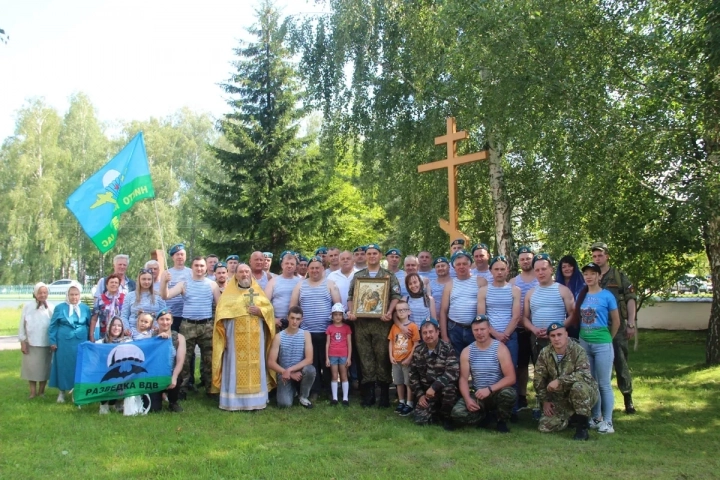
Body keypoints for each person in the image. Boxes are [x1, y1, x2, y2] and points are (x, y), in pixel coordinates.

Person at [211, 263, 276, 411]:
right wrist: (223, 339)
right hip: (234, 340)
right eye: (241, 272)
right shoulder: (228, 295)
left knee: (255, 366)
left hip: (255, 340)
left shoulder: (258, 293)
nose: (244, 274)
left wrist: (261, 311)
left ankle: (256, 400)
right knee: (234, 367)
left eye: (247, 271)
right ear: (236, 275)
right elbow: (220, 317)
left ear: (251, 274)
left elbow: (269, 310)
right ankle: (233, 402)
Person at [567, 262, 620, 434]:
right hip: (584, 343)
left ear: (599, 276)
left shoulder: (607, 296)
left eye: (592, 273)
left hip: (602, 343)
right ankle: (595, 417)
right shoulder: (582, 295)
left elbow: (616, 322)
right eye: (586, 274)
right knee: (591, 382)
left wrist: (607, 340)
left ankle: (608, 421)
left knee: (604, 383)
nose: (589, 277)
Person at [347, 243, 402, 408]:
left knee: (383, 357)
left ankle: (384, 395)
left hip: (382, 323)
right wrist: (352, 312)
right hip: (362, 324)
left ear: (380, 256)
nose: (371, 256)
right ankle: (368, 395)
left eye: (374, 253)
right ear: (365, 256)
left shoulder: (388, 275)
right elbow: (351, 297)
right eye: (369, 253)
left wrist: (390, 312)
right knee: (365, 357)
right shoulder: (358, 276)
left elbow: (396, 295)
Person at [161, 256, 221, 396]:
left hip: (207, 326)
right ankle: (181, 388)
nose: (199, 268)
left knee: (209, 359)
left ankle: (210, 389)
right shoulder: (184, 284)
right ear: (192, 267)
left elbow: (220, 306)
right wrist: (164, 282)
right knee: (184, 359)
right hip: (187, 325)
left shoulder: (212, 285)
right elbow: (166, 296)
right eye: (196, 266)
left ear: (206, 267)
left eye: (201, 266)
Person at [591, 242, 638, 413]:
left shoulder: (618, 276)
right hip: (596, 327)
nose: (597, 259)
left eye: (600, 255)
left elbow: (630, 298)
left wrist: (631, 323)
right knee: (597, 365)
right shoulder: (590, 276)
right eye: (594, 256)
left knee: (620, 361)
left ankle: (627, 398)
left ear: (607, 256)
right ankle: (600, 401)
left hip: (616, 327)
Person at [533, 322, 599, 440]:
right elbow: (539, 379)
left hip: (584, 393)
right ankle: (571, 417)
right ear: (549, 337)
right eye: (553, 336)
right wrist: (545, 401)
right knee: (545, 426)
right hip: (560, 397)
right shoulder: (545, 353)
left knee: (578, 388)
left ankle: (582, 428)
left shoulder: (578, 350)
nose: (556, 338)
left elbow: (584, 374)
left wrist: (560, 381)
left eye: (559, 334)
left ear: (566, 335)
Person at [451, 315, 517, 433]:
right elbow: (463, 379)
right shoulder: (467, 351)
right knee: (457, 413)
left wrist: (490, 389)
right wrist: (467, 400)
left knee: (509, 393)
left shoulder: (500, 348)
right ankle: (486, 417)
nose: (479, 333)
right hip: (479, 395)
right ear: (472, 331)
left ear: (489, 329)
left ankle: (501, 421)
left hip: (496, 393)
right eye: (476, 330)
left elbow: (511, 378)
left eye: (482, 329)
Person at [290, 256, 341, 400]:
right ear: (308, 269)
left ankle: (330, 390)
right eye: (312, 268)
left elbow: (338, 307)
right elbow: (293, 307)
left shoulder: (330, 284)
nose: (314, 270)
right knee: (311, 363)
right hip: (307, 332)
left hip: (327, 332)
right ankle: (314, 390)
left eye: (317, 268)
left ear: (323, 269)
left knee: (328, 362)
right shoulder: (300, 285)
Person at [408, 318, 459, 429]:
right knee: (420, 420)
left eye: (431, 332)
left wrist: (435, 387)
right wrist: (420, 395)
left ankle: (447, 417)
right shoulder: (418, 350)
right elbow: (413, 376)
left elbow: (452, 372)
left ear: (437, 332)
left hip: (443, 390)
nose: (428, 335)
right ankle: (435, 413)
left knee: (449, 389)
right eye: (425, 333)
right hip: (427, 394)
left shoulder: (447, 348)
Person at [49, 281, 92, 403]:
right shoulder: (59, 308)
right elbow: (53, 326)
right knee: (63, 366)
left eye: (76, 294)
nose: (74, 297)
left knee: (79, 366)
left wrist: (92, 341)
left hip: (81, 342)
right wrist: (52, 341)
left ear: (80, 295)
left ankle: (76, 392)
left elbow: (90, 325)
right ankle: (61, 392)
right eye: (71, 294)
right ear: (67, 295)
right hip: (63, 343)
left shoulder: (85, 308)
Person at [440, 250, 488, 356]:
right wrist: (444, 335)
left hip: (475, 329)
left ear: (470, 265)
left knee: (477, 361)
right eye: (458, 264)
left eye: (464, 264)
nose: (461, 266)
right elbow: (443, 311)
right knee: (457, 363)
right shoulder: (449, 285)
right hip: (454, 329)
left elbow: (488, 308)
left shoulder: (481, 282)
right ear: (454, 267)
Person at [267, 306, 316, 408]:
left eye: (298, 319)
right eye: (292, 318)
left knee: (310, 370)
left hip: (300, 372)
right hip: (284, 374)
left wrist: (290, 370)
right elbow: (271, 362)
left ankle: (303, 396)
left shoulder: (306, 334)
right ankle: (293, 391)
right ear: (288, 317)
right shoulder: (278, 337)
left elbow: (309, 359)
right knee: (284, 404)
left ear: (301, 320)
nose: (294, 321)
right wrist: (286, 372)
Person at [477, 256, 521, 369]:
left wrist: (504, 335)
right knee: (491, 370)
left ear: (507, 270)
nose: (499, 272)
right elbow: (482, 317)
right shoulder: (483, 291)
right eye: (496, 269)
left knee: (510, 369)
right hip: (489, 336)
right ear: (491, 271)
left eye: (502, 269)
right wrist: (496, 334)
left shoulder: (515, 290)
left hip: (510, 337)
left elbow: (516, 316)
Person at [510, 246, 538, 410]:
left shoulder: (541, 278)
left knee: (540, 365)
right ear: (519, 261)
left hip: (539, 330)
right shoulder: (514, 282)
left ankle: (541, 398)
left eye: (528, 258)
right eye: (522, 259)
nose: (526, 261)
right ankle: (521, 396)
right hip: (520, 329)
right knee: (521, 366)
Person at [18, 282, 54, 399]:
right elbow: (22, 325)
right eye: (40, 292)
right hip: (31, 343)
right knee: (32, 369)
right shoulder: (28, 307)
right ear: (35, 293)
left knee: (44, 369)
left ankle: (41, 392)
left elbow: (54, 325)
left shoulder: (51, 307)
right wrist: (23, 342)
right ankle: (32, 393)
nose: (43, 295)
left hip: (46, 343)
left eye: (45, 292)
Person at [149, 309, 186, 413]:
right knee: (154, 409)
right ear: (157, 321)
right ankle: (159, 395)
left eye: (167, 319)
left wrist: (174, 378)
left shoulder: (179, 337)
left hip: (171, 372)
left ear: (172, 321)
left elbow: (180, 360)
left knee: (177, 375)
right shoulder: (151, 337)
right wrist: (156, 340)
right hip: (155, 375)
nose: (165, 322)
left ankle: (173, 402)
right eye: (161, 319)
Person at [388, 300, 420, 416]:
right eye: (398, 310)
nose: (401, 312)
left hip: (407, 360)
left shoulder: (413, 327)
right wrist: (391, 355)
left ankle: (409, 403)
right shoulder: (394, 327)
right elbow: (391, 341)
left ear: (409, 312)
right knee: (399, 382)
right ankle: (401, 402)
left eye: (403, 310)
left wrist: (409, 358)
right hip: (396, 360)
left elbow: (416, 344)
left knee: (408, 382)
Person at [96, 316, 131, 414]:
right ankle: (104, 404)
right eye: (114, 325)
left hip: (121, 373)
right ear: (109, 327)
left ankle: (119, 402)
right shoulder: (100, 343)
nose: (116, 328)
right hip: (105, 373)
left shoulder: (128, 342)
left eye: (119, 326)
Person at [264, 251, 302, 331]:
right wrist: (273, 319)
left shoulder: (301, 282)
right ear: (282, 265)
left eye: (292, 264)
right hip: (278, 324)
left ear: (295, 267)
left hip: (296, 324)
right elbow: (265, 304)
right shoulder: (273, 281)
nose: (289, 266)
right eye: (287, 263)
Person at [325, 303, 352, 406]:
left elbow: (349, 343)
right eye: (335, 314)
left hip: (344, 355)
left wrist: (349, 358)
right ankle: (335, 398)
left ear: (343, 316)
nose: (337, 317)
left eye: (340, 314)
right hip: (332, 355)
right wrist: (327, 357)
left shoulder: (347, 328)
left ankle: (345, 398)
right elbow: (327, 343)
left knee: (344, 375)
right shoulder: (330, 328)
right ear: (332, 316)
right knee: (334, 375)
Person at [556, 255, 585, 339]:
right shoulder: (556, 285)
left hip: (578, 322)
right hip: (559, 321)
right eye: (564, 267)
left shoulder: (583, 285)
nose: (567, 269)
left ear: (574, 267)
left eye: (570, 266)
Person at [89, 273, 125, 341]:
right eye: (111, 282)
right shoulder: (100, 299)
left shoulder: (124, 298)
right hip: (104, 335)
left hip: (120, 335)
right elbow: (94, 319)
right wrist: (91, 335)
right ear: (107, 285)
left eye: (116, 282)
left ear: (119, 285)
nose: (114, 284)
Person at [166, 244, 192, 332]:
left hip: (187, 315)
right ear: (173, 257)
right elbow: (163, 294)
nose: (180, 257)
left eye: (182, 254)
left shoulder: (192, 273)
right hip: (171, 314)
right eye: (177, 255)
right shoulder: (167, 273)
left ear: (185, 256)